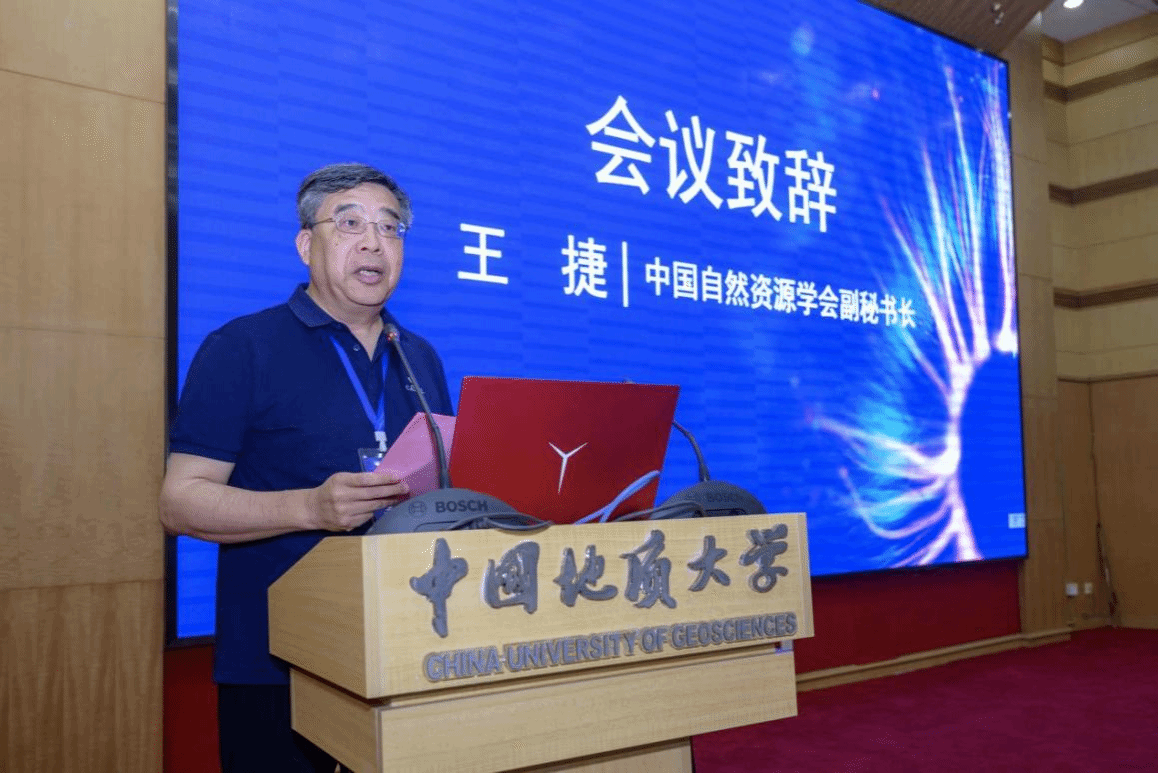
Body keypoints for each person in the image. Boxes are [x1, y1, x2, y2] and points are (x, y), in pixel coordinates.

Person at [160, 163, 453, 772]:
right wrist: (309, 508)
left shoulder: (419, 357)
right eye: (350, 224)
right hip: (278, 664)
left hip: (407, 650)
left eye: (390, 227)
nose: (373, 243)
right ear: (305, 244)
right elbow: (180, 501)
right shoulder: (243, 347)